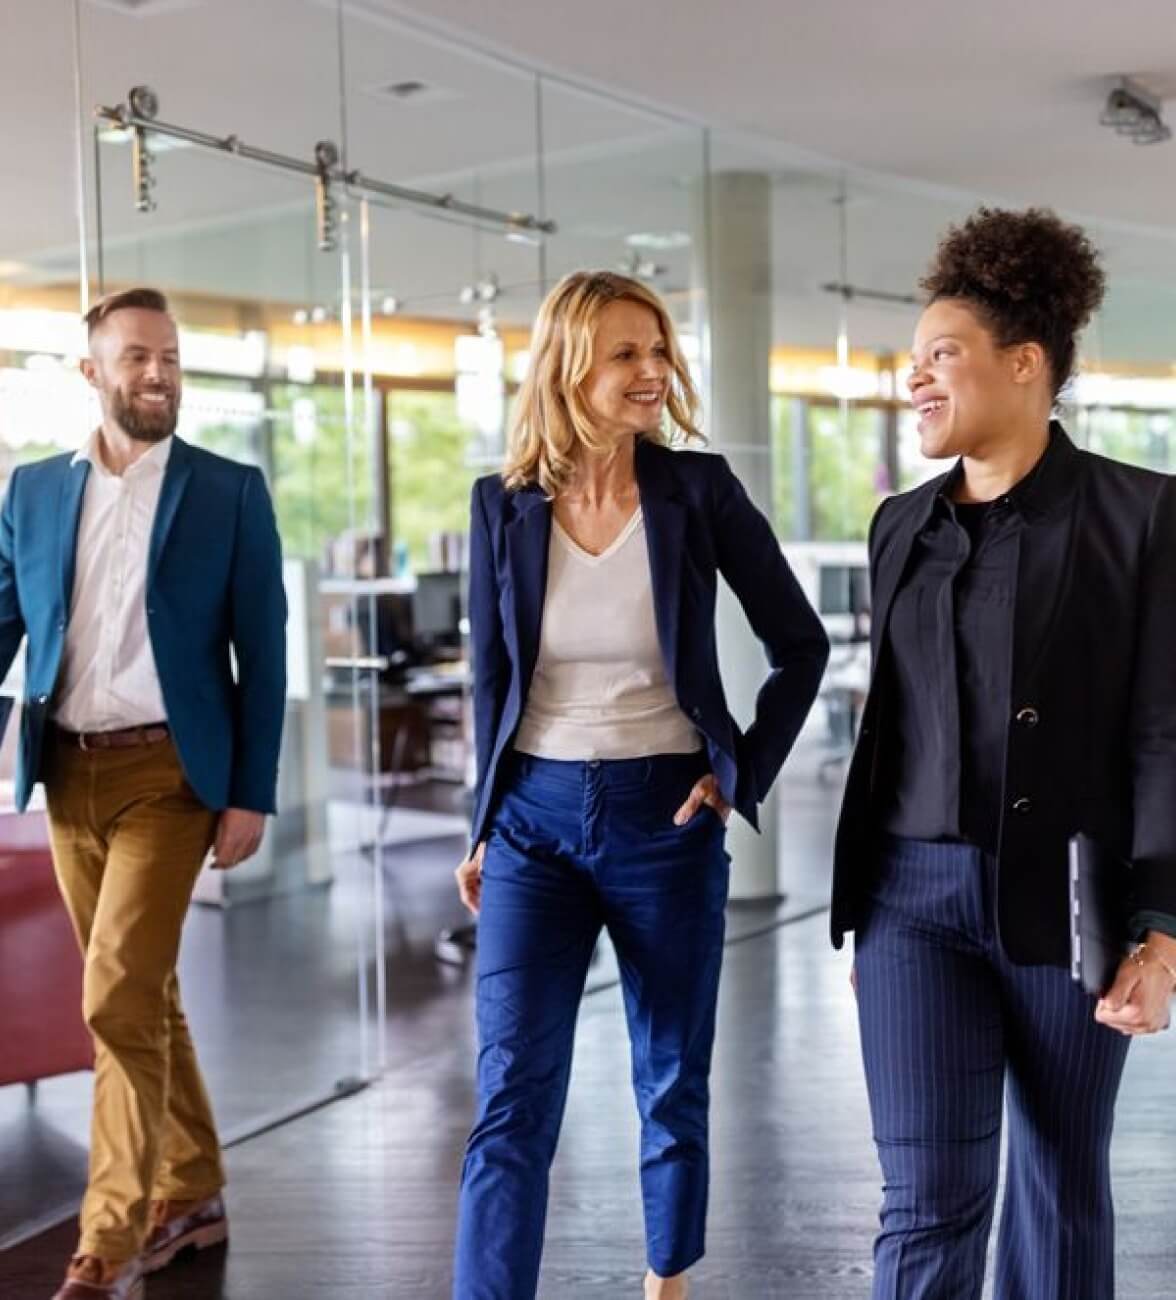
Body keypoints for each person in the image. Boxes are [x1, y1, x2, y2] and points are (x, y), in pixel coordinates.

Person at [451, 269, 829, 1300]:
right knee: (512, 1094)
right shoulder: (501, 507)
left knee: (670, 1079)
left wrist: (737, 770)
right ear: (570, 364)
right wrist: (479, 826)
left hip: (665, 816)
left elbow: (802, 643)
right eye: (626, 353)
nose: (652, 371)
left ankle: (668, 1284)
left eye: (659, 351)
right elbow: (493, 679)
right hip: (531, 821)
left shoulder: (696, 492)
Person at [831, 207, 1176, 1299]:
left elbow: (1166, 729)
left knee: (1060, 1177)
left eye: (943, 355)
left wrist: (1162, 923)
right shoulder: (900, 526)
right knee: (927, 1193)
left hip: (1068, 895)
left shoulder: (1144, 516)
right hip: (909, 901)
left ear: (1026, 364)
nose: (917, 380)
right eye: (913, 359)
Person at [0, 287, 287, 1300]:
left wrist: (250, 791)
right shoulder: (32, 491)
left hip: (174, 776)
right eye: (135, 359)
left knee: (115, 989)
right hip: (70, 772)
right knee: (143, 994)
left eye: (169, 357)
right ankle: (196, 1181)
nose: (157, 374)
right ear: (92, 372)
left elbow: (266, 647)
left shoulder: (229, 490)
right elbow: (6, 625)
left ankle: (108, 1235)